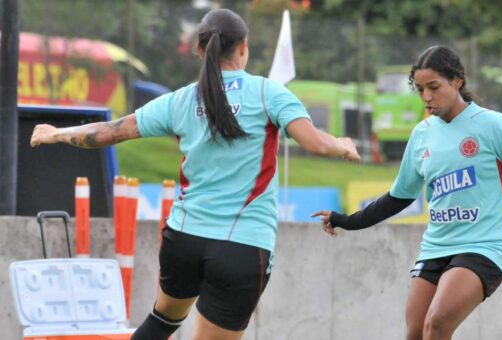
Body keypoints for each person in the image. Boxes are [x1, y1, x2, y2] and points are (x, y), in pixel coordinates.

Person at [30, 8, 360, 340]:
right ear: (244, 47)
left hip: (183, 240)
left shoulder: (180, 101)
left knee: (161, 322)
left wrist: (56, 133)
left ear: (200, 50)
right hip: (241, 246)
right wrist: (343, 145)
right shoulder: (267, 93)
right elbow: (315, 143)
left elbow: (111, 132)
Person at [312, 45, 502, 340]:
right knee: (415, 332)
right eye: (420, 89)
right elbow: (399, 196)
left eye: (434, 87)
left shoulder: (493, 125)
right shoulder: (422, 134)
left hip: (484, 245)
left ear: (457, 82)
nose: (426, 97)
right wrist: (347, 220)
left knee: (437, 324)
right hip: (436, 246)